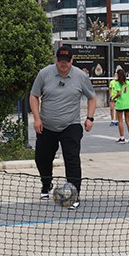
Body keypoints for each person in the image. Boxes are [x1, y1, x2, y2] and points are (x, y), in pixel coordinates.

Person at [29, 45, 96, 210]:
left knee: (72, 159)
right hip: (47, 125)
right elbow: (33, 95)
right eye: (60, 61)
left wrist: (89, 118)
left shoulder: (80, 76)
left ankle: (74, 194)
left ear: (72, 60)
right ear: (56, 60)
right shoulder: (44, 74)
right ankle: (46, 184)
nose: (63, 64)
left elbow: (92, 97)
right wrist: (36, 119)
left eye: (67, 61)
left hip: (70, 125)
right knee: (42, 158)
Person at [110, 68, 129, 144]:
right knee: (128, 120)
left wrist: (113, 98)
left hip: (120, 104)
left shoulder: (117, 83)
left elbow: (119, 93)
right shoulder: (128, 83)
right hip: (127, 104)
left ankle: (122, 138)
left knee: (120, 121)